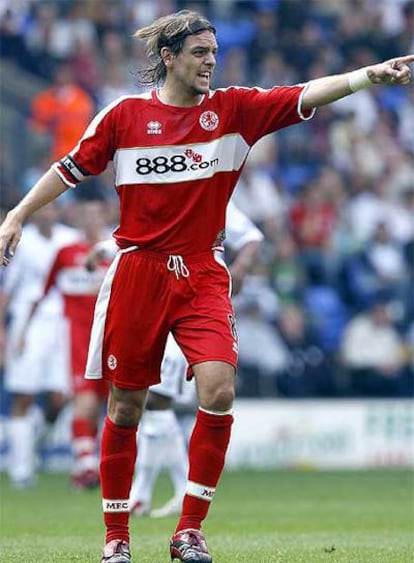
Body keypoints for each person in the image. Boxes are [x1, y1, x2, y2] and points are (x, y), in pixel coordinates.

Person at [0, 9, 412, 563]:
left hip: (201, 273)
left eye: (214, 53)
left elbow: (306, 93)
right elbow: (70, 168)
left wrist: (369, 74)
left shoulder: (234, 110)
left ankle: (188, 531)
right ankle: (116, 539)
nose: (210, 63)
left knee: (217, 390)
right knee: (126, 409)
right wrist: (18, 214)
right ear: (168, 57)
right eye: (199, 53)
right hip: (138, 272)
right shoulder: (123, 116)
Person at [86, 200, 263, 519]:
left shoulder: (210, 193)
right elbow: (144, 238)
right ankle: (153, 490)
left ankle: (161, 490)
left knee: (157, 400)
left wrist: (238, 270)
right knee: (150, 402)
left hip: (192, 300)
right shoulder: (160, 188)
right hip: (149, 297)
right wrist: (104, 248)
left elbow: (251, 237)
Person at [18, 200, 110, 489]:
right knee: (84, 400)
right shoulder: (66, 253)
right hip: (78, 338)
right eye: (86, 214)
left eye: (96, 215)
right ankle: (85, 465)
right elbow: (42, 292)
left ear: (105, 217)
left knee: (108, 404)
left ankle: (90, 464)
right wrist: (23, 330)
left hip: (112, 336)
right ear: (78, 219)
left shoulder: (115, 251)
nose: (90, 220)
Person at [0, 202, 79, 488]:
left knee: (61, 397)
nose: (47, 213)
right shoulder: (22, 240)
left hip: (63, 323)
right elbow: (7, 290)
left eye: (52, 208)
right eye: (43, 209)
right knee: (23, 395)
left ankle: (30, 449)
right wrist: (3, 331)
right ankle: (21, 470)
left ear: (58, 212)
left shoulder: (69, 239)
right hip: (28, 324)